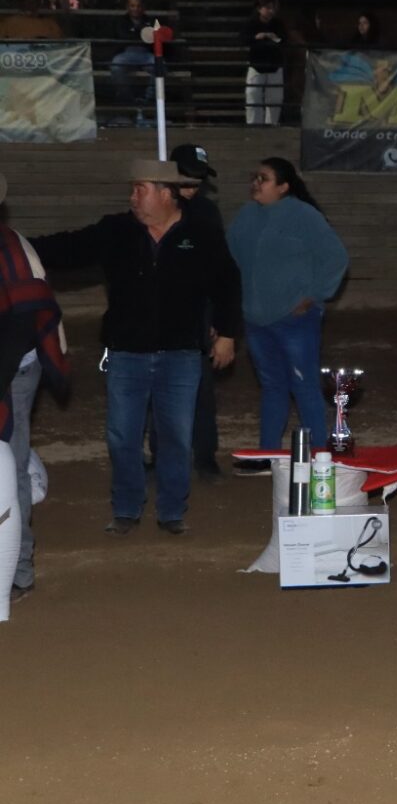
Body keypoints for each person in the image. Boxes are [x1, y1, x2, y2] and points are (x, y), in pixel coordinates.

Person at [32, 160, 241, 536]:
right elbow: (66, 247)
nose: (132, 197)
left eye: (139, 189)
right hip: (126, 352)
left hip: (181, 354)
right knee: (122, 436)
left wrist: (227, 332)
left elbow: (227, 282)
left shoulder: (201, 233)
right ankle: (126, 508)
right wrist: (16, 244)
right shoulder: (116, 231)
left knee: (176, 437)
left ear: (166, 193)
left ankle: (172, 510)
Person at [225, 157, 347, 453]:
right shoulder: (245, 216)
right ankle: (268, 453)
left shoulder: (304, 216)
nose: (256, 183)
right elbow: (228, 259)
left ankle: (319, 454)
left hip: (295, 318)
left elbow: (336, 257)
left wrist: (314, 294)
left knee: (303, 385)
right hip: (256, 317)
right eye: (255, 177)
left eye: (264, 178)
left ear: (283, 187)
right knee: (272, 386)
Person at [0, 172, 69, 613]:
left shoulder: (11, 250)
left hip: (12, 368)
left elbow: (24, 321)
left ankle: (17, 569)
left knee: (11, 463)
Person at [170, 143, 225, 481]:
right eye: (187, 181)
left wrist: (218, 319)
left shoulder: (206, 213)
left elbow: (219, 270)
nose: (193, 188)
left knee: (201, 388)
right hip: (158, 313)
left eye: (198, 182)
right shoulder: (151, 210)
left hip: (197, 313)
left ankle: (205, 456)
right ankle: (163, 454)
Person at [109, 0, 154, 122]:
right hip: (126, 52)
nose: (136, 9)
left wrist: (136, 34)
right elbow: (121, 36)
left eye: (138, 6)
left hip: (145, 53)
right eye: (133, 6)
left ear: (143, 8)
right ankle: (128, 101)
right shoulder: (120, 21)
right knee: (116, 66)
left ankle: (147, 100)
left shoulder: (150, 20)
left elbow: (152, 39)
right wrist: (140, 34)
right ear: (128, 7)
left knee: (158, 65)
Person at [243, 0, 285, 126]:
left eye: (273, 8)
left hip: (274, 65)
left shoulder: (277, 24)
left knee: (275, 98)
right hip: (257, 64)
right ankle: (254, 125)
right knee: (253, 96)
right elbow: (243, 38)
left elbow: (285, 40)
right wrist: (257, 38)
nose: (271, 11)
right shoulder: (251, 23)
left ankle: (272, 125)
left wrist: (273, 37)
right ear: (259, 9)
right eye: (268, 8)